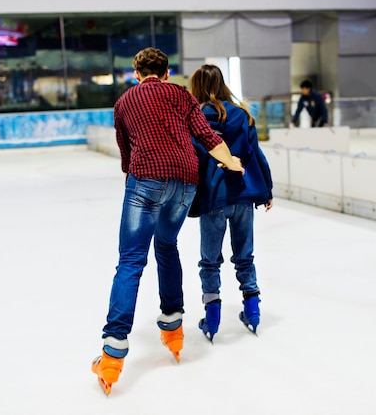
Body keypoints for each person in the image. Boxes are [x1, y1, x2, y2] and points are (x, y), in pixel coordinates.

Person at [91, 48, 245, 395]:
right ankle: (173, 327)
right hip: (184, 182)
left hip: (145, 182)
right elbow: (208, 138)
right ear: (167, 71)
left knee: (131, 261)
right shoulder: (181, 95)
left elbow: (127, 156)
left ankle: (113, 353)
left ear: (136, 73)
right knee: (167, 247)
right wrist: (232, 162)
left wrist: (138, 183)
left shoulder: (124, 102)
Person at [189, 64, 273, 342]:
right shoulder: (242, 115)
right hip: (243, 196)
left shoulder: (196, 118)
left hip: (213, 197)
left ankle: (212, 318)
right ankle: (253, 310)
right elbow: (255, 155)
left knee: (210, 261)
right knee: (244, 256)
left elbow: (194, 159)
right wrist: (267, 190)